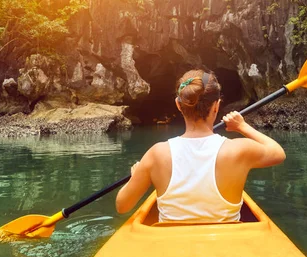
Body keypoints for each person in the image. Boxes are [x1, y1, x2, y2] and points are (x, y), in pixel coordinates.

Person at [115, 69, 286, 222]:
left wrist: (136, 176)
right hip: (226, 245)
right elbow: (278, 153)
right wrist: (242, 126)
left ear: (178, 105)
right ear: (217, 106)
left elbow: (122, 206)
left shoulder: (156, 154)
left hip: (172, 248)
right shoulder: (238, 150)